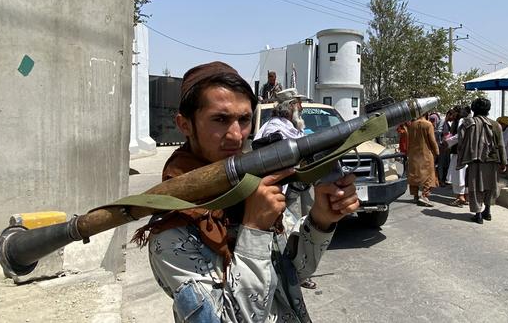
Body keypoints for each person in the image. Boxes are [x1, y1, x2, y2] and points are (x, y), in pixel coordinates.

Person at [135, 61, 359, 322]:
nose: (236, 136)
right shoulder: (172, 229)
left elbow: (291, 273)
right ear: (185, 125)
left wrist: (321, 219)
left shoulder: (249, 187)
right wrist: (254, 229)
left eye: (244, 120)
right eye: (220, 119)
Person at [253, 87, 317, 289]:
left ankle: (299, 271)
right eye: (298, 103)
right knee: (292, 234)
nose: (301, 107)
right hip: (286, 191)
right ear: (290, 107)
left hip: (301, 186)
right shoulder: (274, 130)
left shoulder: (291, 126)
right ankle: (294, 274)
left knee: (306, 229)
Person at [457, 98, 507, 224]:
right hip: (493, 160)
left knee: (475, 187)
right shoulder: (496, 125)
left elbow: (461, 142)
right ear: (488, 109)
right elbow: (501, 145)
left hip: (475, 160)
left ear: (473, 109)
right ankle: (487, 211)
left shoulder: (468, 123)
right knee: (490, 186)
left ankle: (478, 214)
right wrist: (503, 162)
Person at [406, 114, 440, 207]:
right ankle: (424, 195)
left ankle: (415, 196)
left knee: (414, 175)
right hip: (426, 154)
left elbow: (408, 140)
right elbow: (432, 140)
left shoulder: (412, 125)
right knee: (429, 175)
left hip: (413, 154)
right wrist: (437, 151)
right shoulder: (428, 125)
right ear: (426, 114)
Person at [447, 106, 471, 207]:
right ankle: (464, 197)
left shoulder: (461, 121)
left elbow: (460, 136)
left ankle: (460, 197)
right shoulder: (468, 120)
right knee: (463, 175)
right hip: (466, 153)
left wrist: (447, 142)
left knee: (458, 175)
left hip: (459, 153)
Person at [438, 109, 457, 186]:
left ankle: (444, 179)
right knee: (441, 163)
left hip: (446, 146)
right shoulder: (442, 121)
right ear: (449, 114)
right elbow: (438, 132)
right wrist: (440, 143)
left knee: (446, 163)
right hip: (442, 146)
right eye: (452, 116)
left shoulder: (447, 123)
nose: (453, 118)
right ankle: (440, 180)